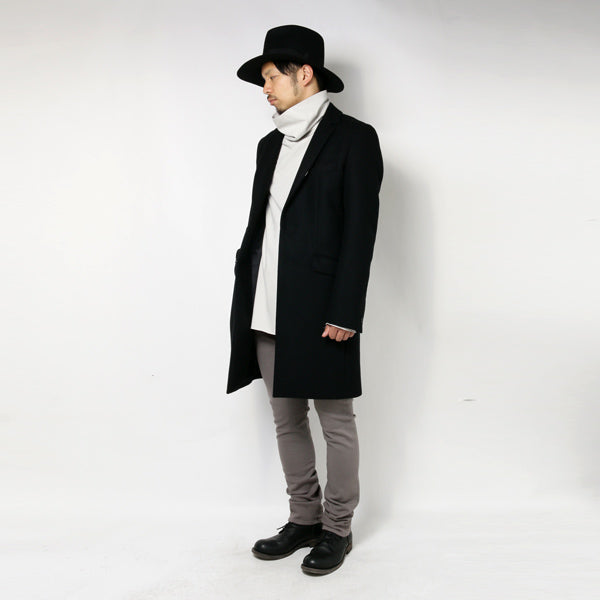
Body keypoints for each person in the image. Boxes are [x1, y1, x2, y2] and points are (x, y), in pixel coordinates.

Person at [226, 24, 383, 576]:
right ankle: (304, 519)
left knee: (335, 420)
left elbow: (360, 232)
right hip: (266, 302)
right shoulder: (270, 144)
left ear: (305, 74)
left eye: (272, 77)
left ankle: (337, 528)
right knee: (286, 419)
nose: (265, 88)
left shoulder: (354, 139)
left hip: (321, 308)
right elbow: (263, 226)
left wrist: (346, 310)